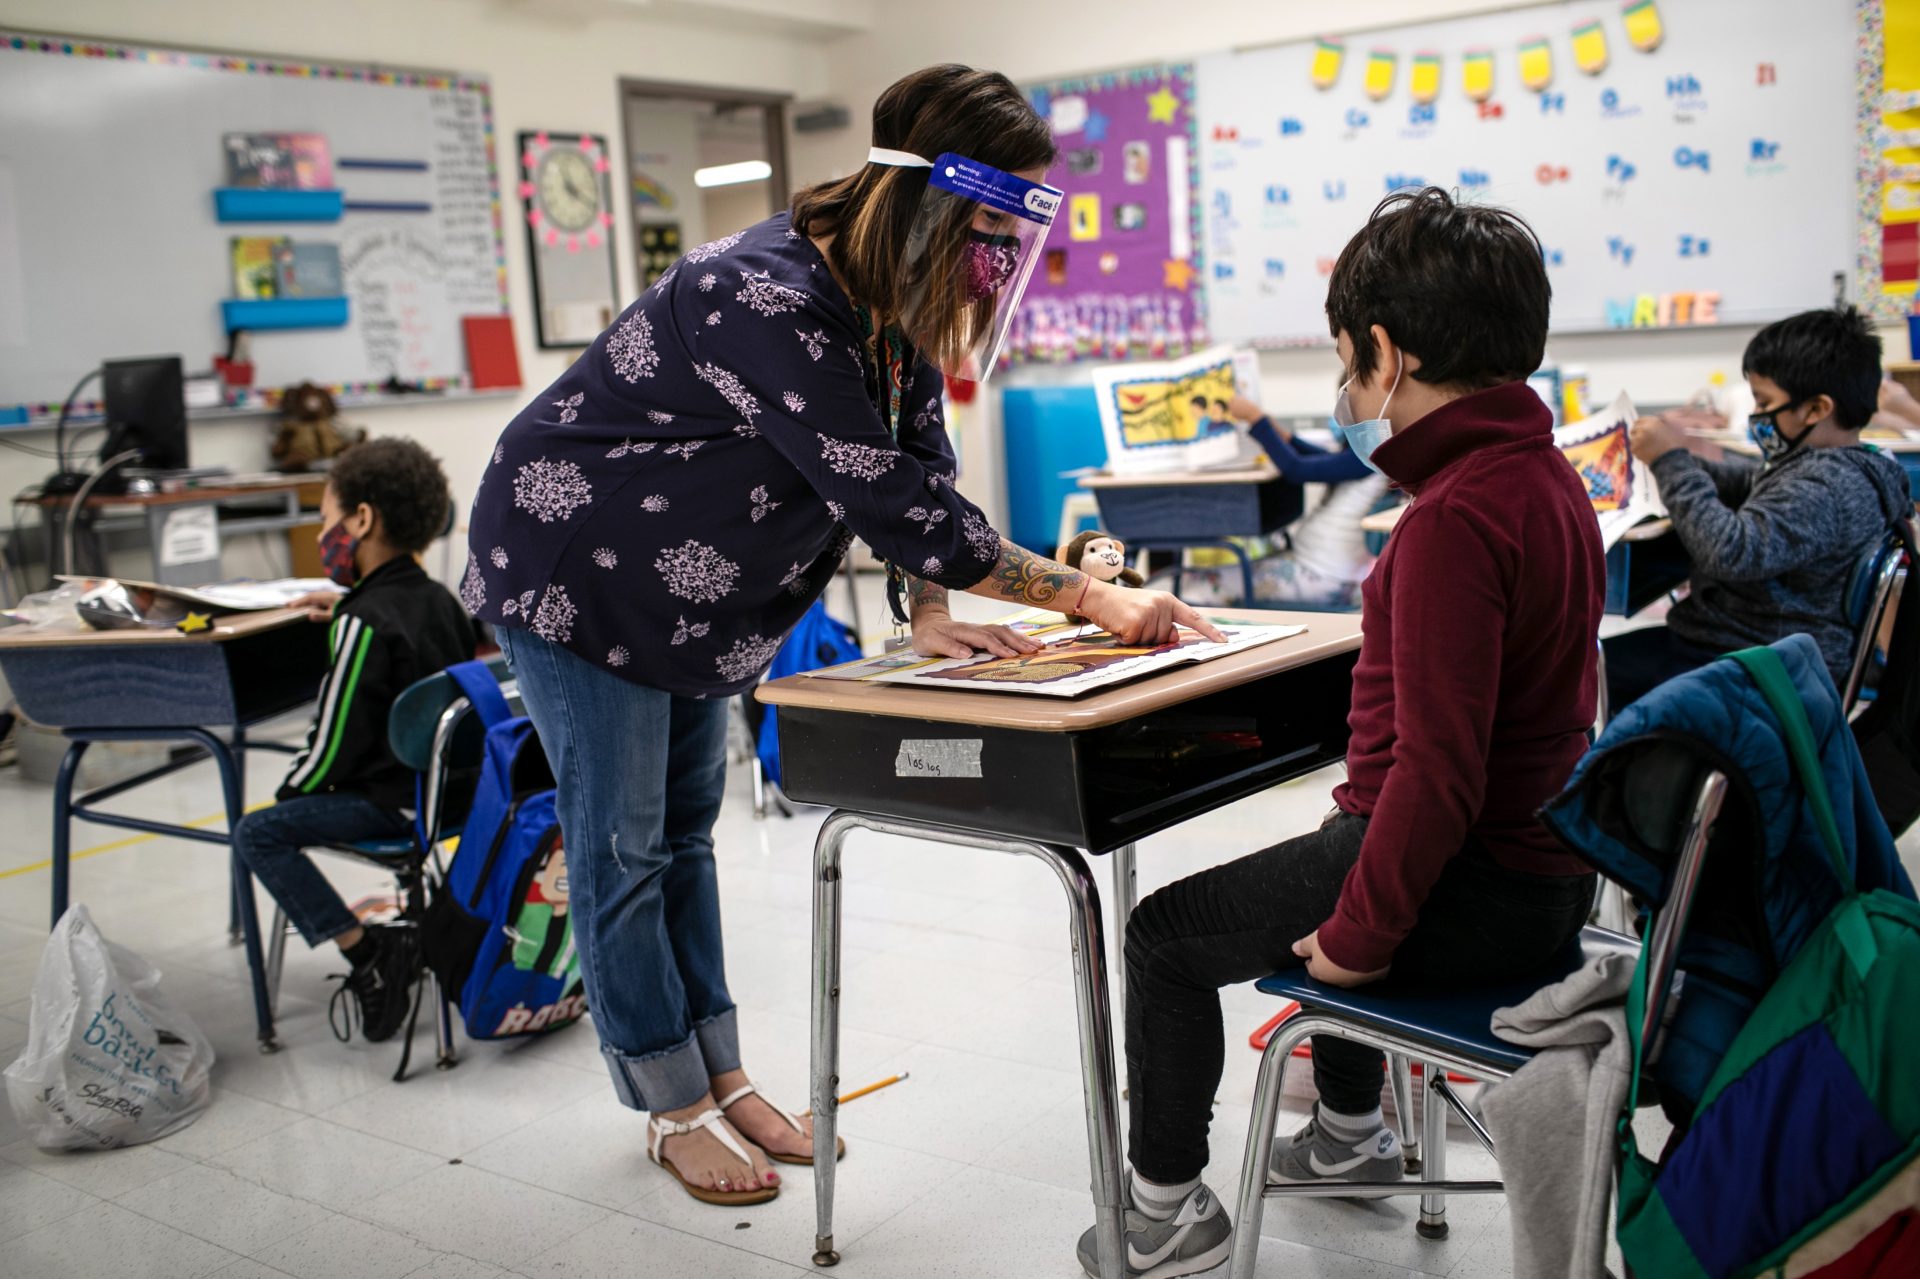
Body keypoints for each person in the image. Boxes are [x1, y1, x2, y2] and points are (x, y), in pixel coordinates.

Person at [465, 64, 1222, 1208]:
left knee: (681, 836)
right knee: (618, 849)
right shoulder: (762, 293)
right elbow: (881, 491)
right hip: (580, 572)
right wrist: (1089, 597)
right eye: (994, 211)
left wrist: (931, 608)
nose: (999, 245)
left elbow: (917, 457)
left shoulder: (882, 287)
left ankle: (722, 1070)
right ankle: (670, 1107)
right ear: (933, 195)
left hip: (686, 589)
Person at [1077, 188, 1602, 1278]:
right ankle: (1349, 1135)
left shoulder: (1452, 517)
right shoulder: (1544, 477)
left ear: (1384, 352)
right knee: (1341, 845)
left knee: (1164, 938)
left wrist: (1362, 936)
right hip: (1547, 877)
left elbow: (1438, 778)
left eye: (1347, 363)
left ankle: (1167, 1211)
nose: (1350, 390)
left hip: (1474, 882)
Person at [232, 438, 474, 1043]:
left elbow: (331, 747)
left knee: (257, 832)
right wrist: (350, 604)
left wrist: (291, 794)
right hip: (446, 801)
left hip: (393, 806)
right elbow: (403, 630)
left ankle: (366, 951)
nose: (324, 534)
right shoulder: (441, 601)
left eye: (325, 518)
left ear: (361, 519)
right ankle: (392, 941)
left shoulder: (365, 623)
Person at [1609, 307, 1912, 712]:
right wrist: (1675, 458)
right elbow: (1749, 482)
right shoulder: (1838, 467)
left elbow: (1731, 552)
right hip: (1751, 647)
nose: (1755, 415)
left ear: (1817, 409)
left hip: (1754, 665)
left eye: (1764, 401)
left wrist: (1671, 462)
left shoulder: (1825, 487)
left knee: (1578, 676)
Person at [1156, 391, 1391, 609]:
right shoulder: (1373, 454)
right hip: (1324, 572)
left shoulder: (1370, 456)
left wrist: (1255, 418)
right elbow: (1318, 459)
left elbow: (1296, 468)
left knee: (1197, 586)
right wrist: (1274, 428)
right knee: (1202, 578)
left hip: (1321, 577)